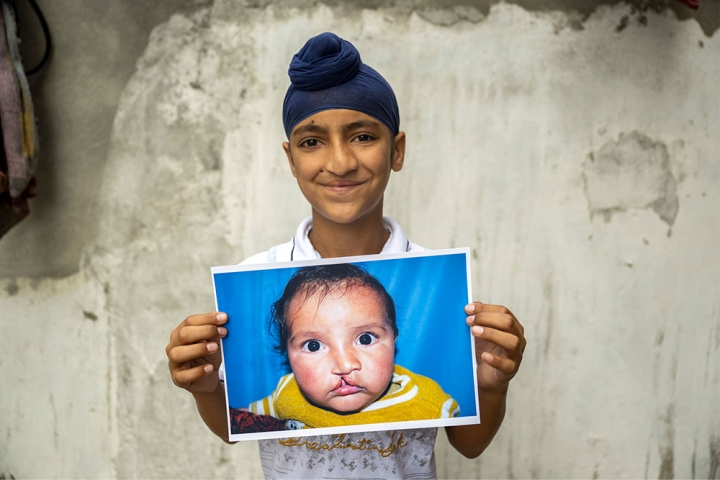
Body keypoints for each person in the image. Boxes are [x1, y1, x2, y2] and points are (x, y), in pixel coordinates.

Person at [166, 31, 526, 479]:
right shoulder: (254, 277)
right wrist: (205, 390)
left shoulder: (444, 291)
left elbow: (468, 445)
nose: (339, 162)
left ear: (396, 150)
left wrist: (492, 387)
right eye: (312, 141)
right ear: (291, 159)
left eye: (361, 136)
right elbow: (241, 425)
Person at [246, 263, 460, 430]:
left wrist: (489, 391)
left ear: (394, 339)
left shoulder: (425, 402)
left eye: (365, 339)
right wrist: (212, 391)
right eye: (313, 345)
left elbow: (469, 446)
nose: (345, 365)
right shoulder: (286, 394)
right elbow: (233, 427)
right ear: (287, 354)